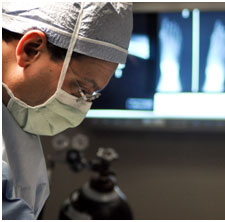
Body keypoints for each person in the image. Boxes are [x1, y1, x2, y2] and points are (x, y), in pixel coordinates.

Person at [2, 2, 133, 219]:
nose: (81, 107)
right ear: (31, 49)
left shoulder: (13, 112)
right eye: (80, 89)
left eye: (91, 95)